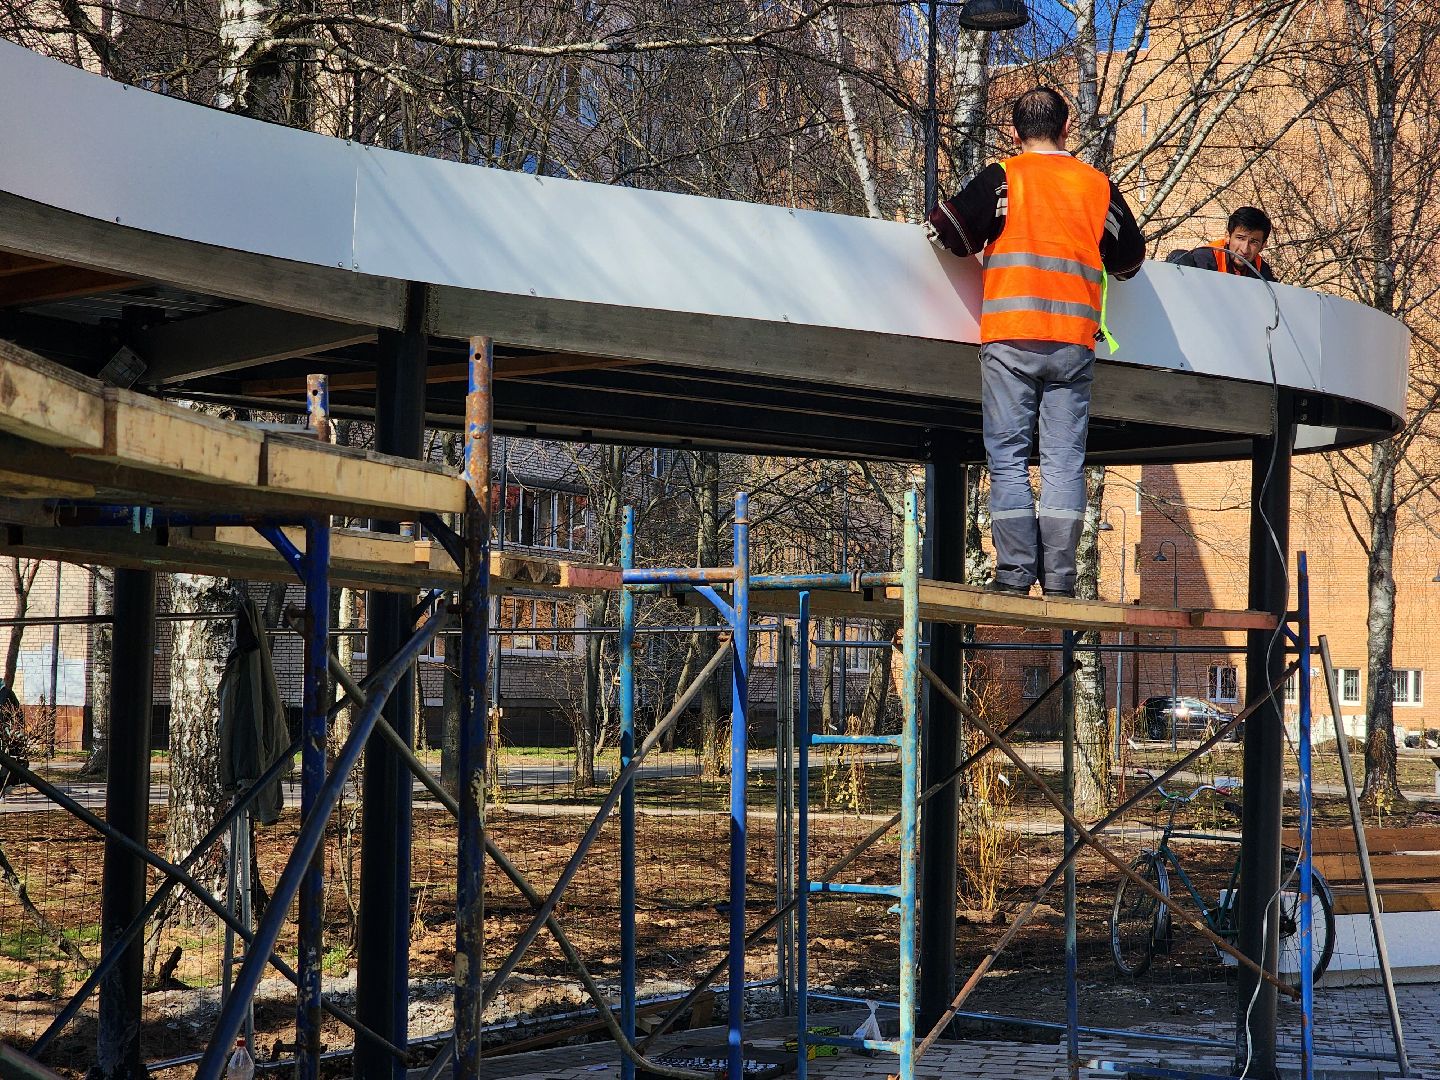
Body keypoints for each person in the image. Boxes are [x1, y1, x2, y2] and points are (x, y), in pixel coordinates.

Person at [926, 87, 1145, 598]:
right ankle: (1063, 579)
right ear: (1067, 129)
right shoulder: (1097, 187)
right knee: (1065, 460)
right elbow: (1130, 261)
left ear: (1014, 132)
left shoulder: (1004, 178)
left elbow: (948, 229)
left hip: (1010, 337)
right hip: (1073, 343)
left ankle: (1015, 573)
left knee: (1007, 456)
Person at [1168, 206, 1276, 281]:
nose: (1245, 249)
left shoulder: (1262, 270)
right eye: (1240, 238)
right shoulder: (1204, 259)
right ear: (1228, 237)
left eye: (1254, 242)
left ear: (1263, 245)